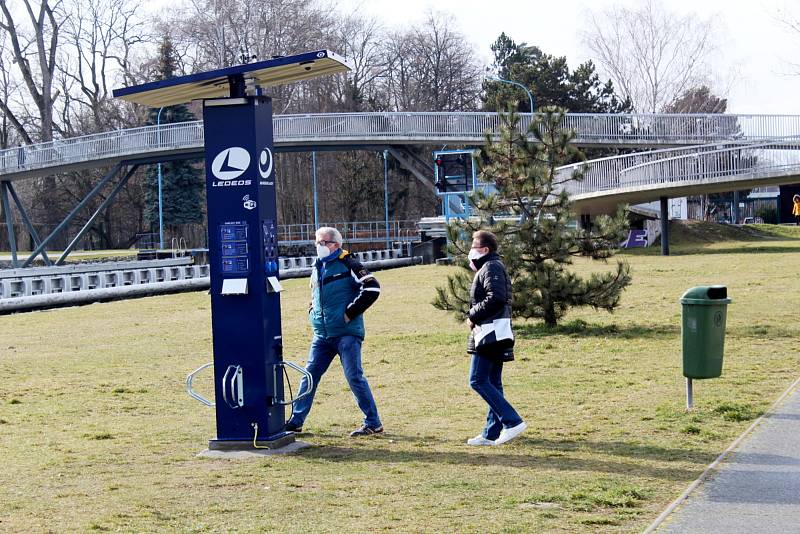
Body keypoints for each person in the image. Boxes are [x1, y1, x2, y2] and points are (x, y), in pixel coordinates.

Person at [284, 227, 383, 437]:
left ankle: (373, 422)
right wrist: (312, 310)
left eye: (323, 242)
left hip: (347, 333)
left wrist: (349, 313)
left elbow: (373, 288)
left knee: (354, 377)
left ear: (336, 245)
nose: (319, 246)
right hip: (322, 335)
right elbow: (316, 293)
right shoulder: (317, 266)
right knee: (308, 377)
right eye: (317, 242)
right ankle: (296, 422)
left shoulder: (350, 264)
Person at [465, 230, 526, 446]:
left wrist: (473, 314)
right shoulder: (489, 267)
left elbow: (497, 297)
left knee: (477, 380)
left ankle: (512, 421)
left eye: (474, 244)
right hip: (493, 332)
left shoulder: (491, 267)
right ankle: (491, 433)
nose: (470, 249)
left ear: (485, 249)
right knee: (492, 382)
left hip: (490, 333)